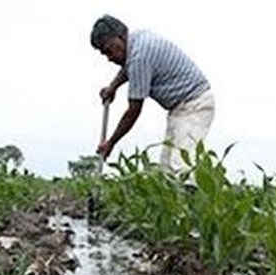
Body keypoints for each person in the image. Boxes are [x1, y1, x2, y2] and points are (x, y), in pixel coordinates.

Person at [90, 15, 215, 171]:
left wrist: (111, 142)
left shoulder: (140, 57)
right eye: (105, 53)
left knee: (183, 165)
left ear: (120, 37)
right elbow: (127, 69)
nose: (109, 57)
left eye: (109, 50)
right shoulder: (136, 40)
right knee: (167, 168)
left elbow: (133, 110)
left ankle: (194, 193)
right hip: (179, 108)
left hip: (195, 104)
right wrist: (113, 87)